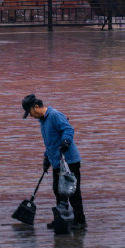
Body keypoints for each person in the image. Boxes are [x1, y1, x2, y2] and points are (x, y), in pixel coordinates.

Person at [22, 94, 84, 229]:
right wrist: (46, 159)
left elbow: (68, 129)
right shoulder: (43, 121)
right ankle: (62, 220)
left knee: (73, 192)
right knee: (58, 190)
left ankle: (80, 221)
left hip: (70, 161)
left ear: (36, 107)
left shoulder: (55, 115)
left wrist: (66, 141)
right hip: (57, 162)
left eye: (30, 112)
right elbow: (50, 143)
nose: (31, 116)